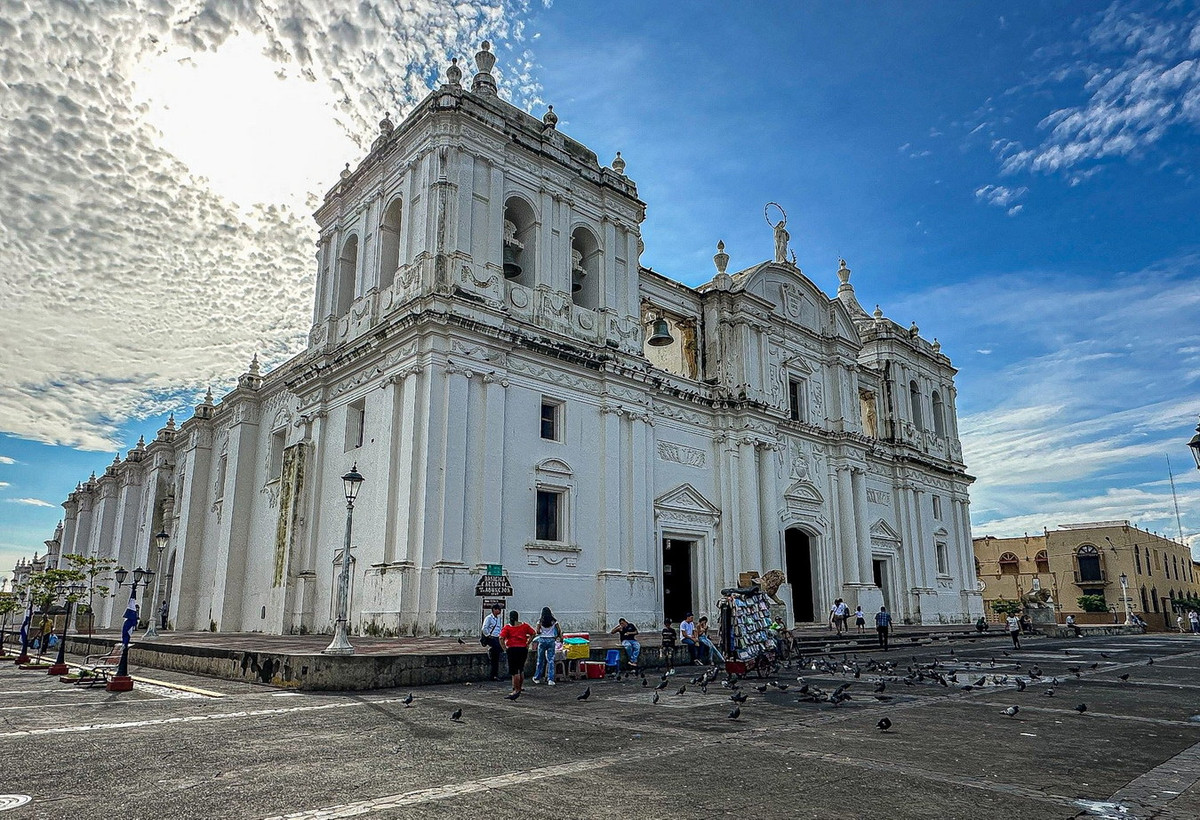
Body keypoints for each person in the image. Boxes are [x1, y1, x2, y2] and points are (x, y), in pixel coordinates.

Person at [499, 610, 536, 699]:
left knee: (514, 671)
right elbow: (533, 633)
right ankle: (519, 687)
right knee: (521, 669)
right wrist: (528, 643)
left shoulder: (507, 627)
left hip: (512, 649)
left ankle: (516, 689)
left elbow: (501, 638)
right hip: (523, 649)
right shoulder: (524, 626)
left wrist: (505, 648)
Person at [532, 606, 561, 685]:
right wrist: (557, 637)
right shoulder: (554, 621)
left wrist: (542, 631)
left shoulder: (540, 621)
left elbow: (537, 631)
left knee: (540, 660)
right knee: (551, 660)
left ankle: (537, 677)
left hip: (542, 640)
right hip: (551, 640)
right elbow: (559, 630)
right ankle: (550, 679)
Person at [481, 603, 505, 680]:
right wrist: (488, 635)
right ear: (494, 610)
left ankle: (494, 674)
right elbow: (484, 628)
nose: (500, 611)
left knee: (499, 651)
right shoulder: (489, 618)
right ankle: (494, 675)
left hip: (497, 637)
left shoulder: (498, 619)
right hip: (491, 638)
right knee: (496, 655)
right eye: (498, 609)